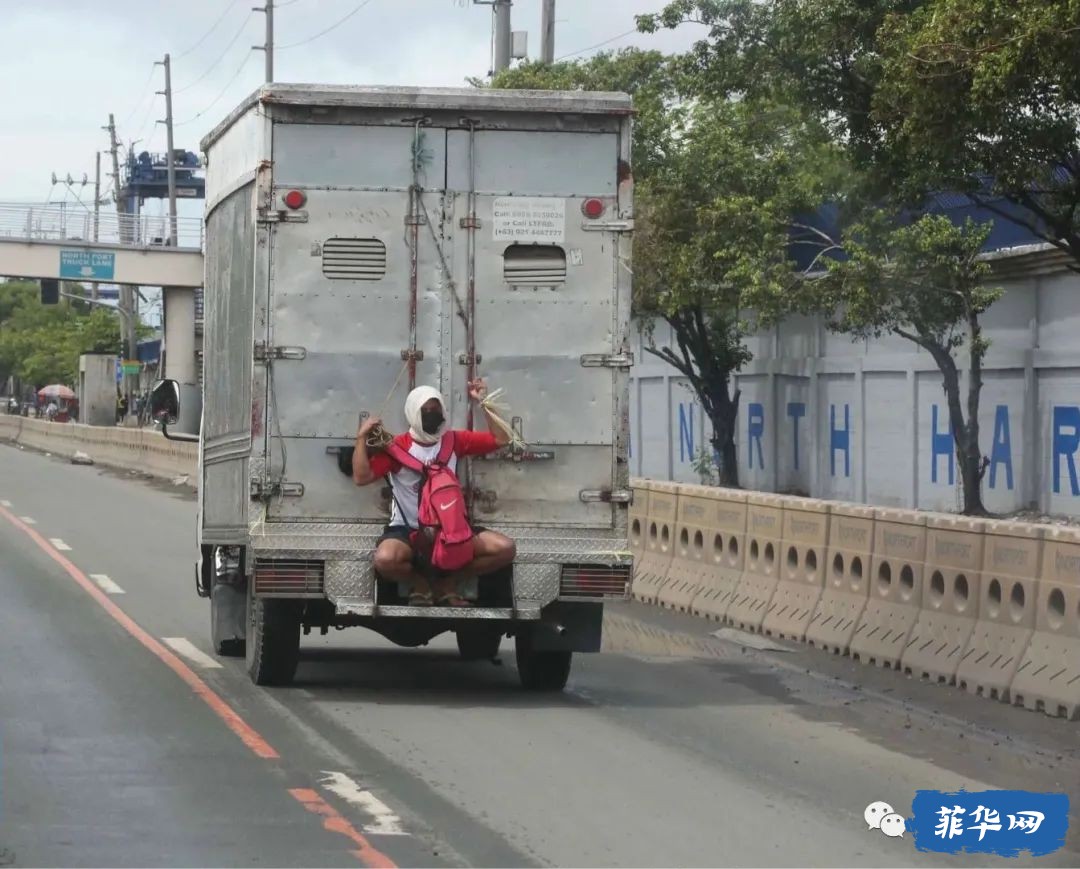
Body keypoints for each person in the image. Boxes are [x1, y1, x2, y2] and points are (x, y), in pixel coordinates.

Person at [352, 378, 516, 607]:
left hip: (450, 531)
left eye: (435, 408)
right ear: (413, 412)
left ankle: (448, 583)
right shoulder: (398, 448)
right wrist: (361, 439)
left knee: (504, 548)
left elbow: (501, 439)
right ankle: (419, 582)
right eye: (425, 409)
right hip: (408, 531)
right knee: (385, 559)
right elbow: (361, 477)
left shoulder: (453, 441)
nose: (431, 413)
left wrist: (483, 402)